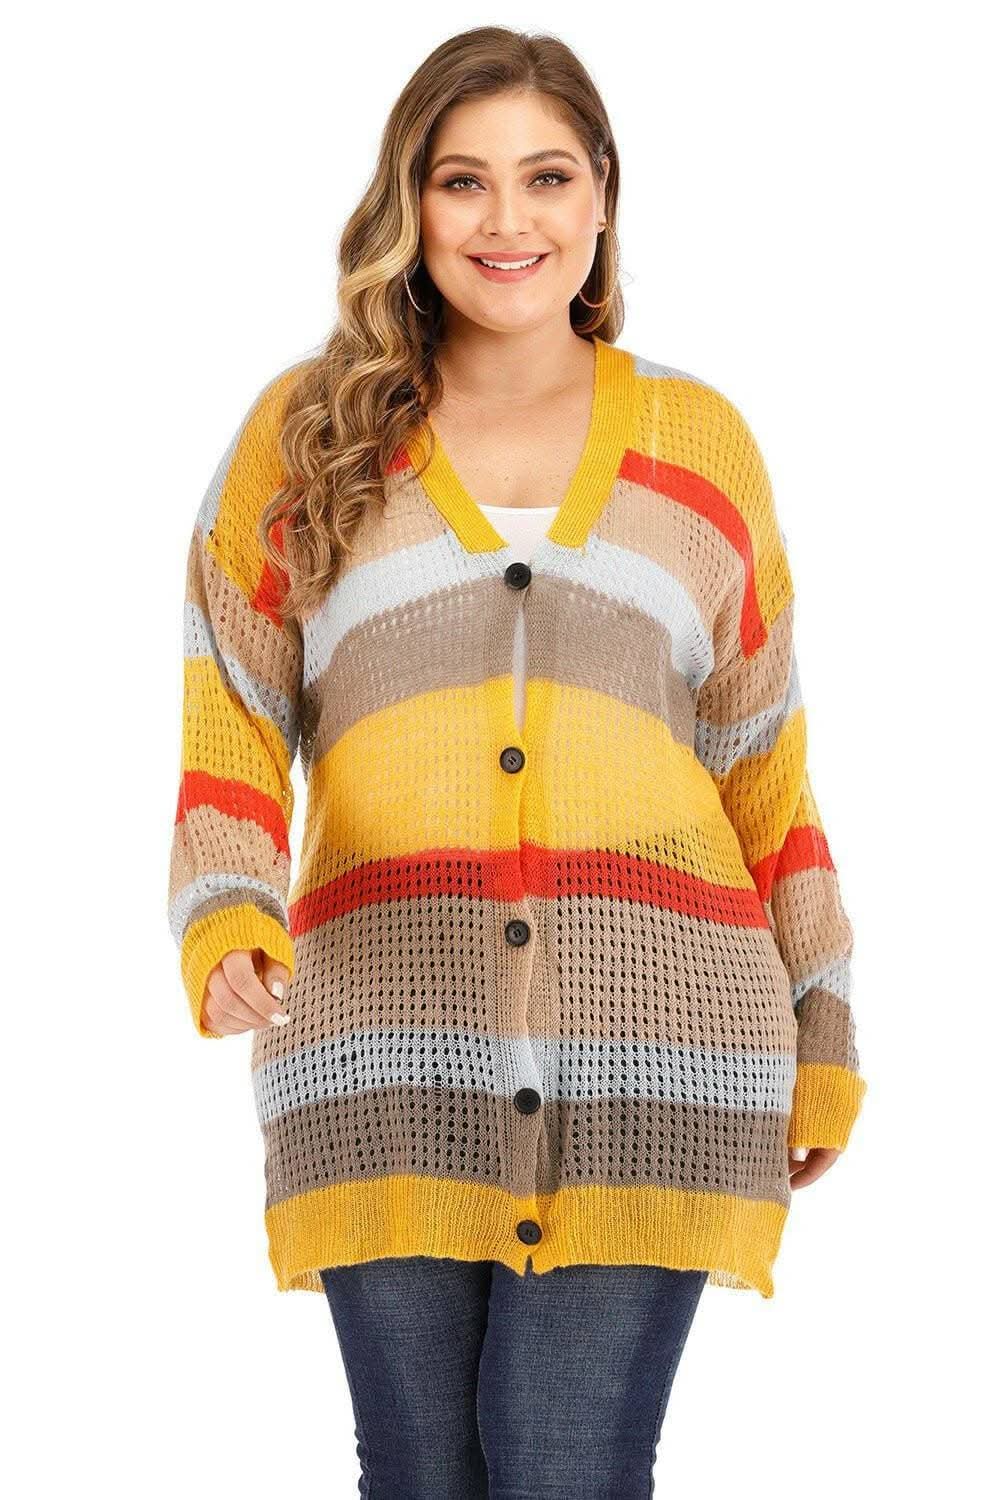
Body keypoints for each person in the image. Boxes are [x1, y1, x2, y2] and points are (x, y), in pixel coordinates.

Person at [166, 25, 867, 1498]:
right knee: (419, 1472)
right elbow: (230, 706)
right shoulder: (310, 438)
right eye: (462, 180)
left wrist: (826, 1032)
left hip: (659, 1041)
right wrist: (225, 914)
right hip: (377, 1041)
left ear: (602, 193)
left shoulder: (700, 447)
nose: (507, 219)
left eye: (546, 177)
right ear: (410, 204)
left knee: (564, 1462)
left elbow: (765, 766)